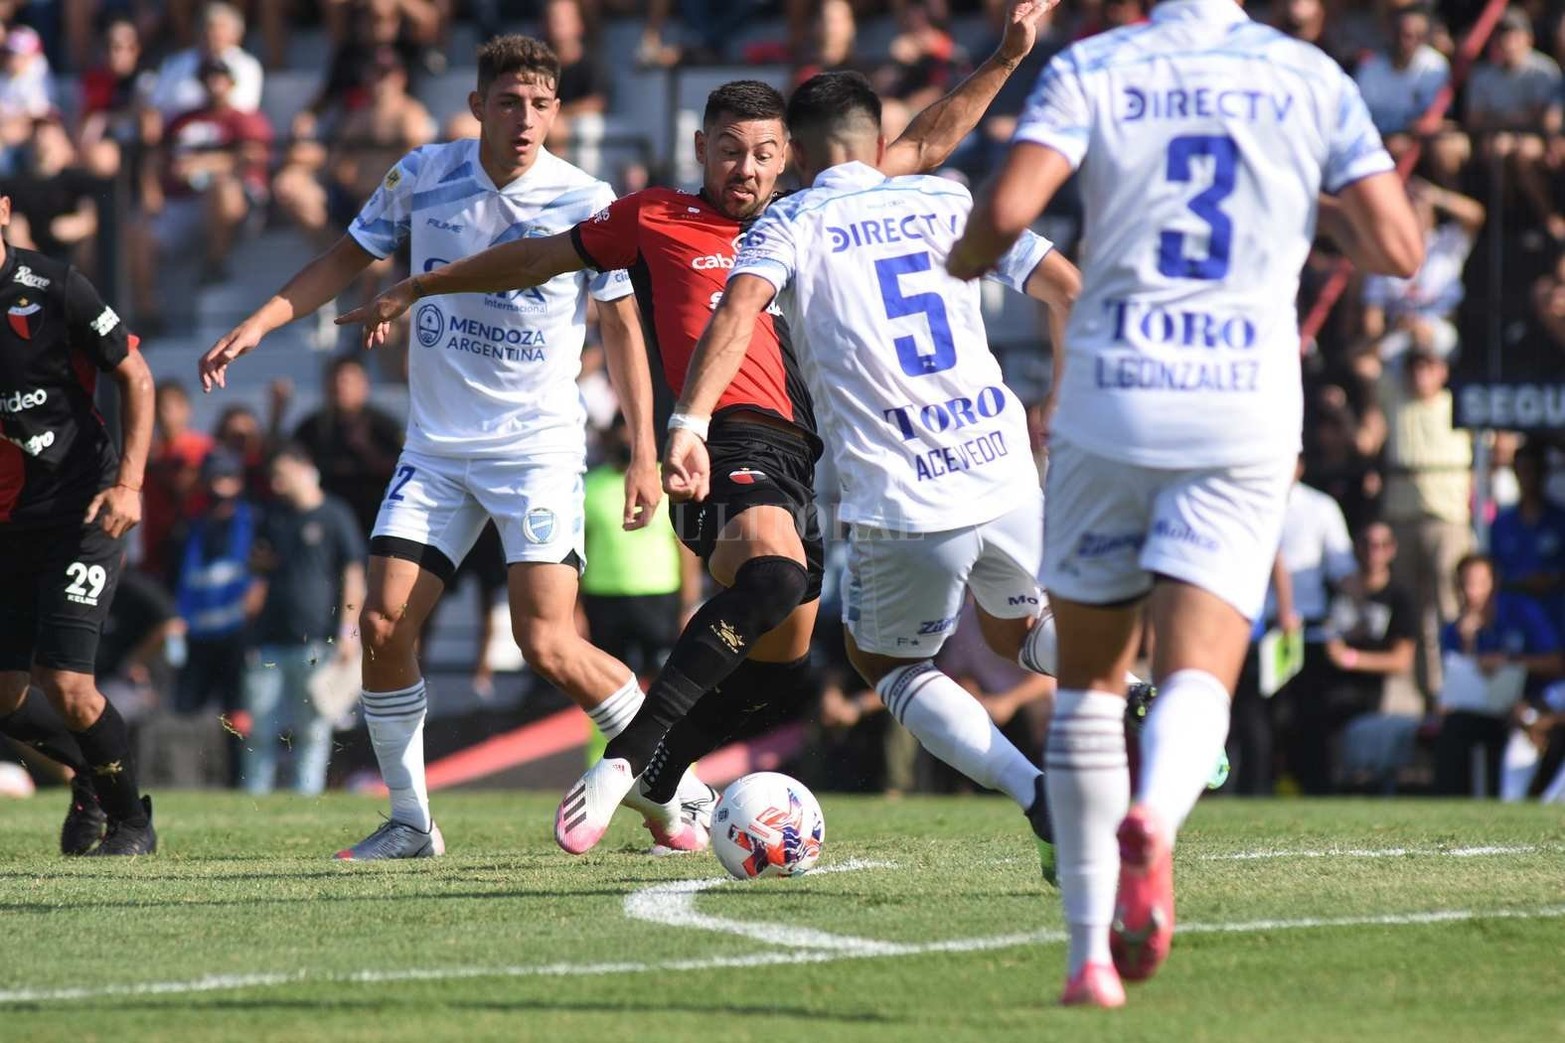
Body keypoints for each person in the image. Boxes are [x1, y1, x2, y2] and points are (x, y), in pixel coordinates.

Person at [336, 2, 1057, 850]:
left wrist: (1006, 57)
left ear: (789, 155)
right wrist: (422, 285)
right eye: (728, 151)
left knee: (777, 674)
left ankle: (662, 775)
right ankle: (625, 762)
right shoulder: (652, 217)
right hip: (714, 440)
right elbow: (538, 256)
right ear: (700, 150)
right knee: (774, 582)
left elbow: (927, 141)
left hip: (799, 456)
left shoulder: (810, 211)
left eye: (762, 154)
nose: (744, 169)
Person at [947, 0, 1423, 1007]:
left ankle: (1085, 959)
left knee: (1086, 684)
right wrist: (1310, 206)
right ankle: (1156, 819)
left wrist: (960, 262)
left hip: (1112, 400)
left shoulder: (1095, 66)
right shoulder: (1307, 76)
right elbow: (1398, 248)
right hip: (1240, 405)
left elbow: (998, 217)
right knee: (1200, 667)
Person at [564, 69, 1081, 864]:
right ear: (880, 145)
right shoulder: (948, 198)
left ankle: (1036, 792)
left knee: (890, 664)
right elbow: (1068, 290)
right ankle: (1143, 684)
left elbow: (737, 311)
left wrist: (685, 423)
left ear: (792, 155)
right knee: (1024, 633)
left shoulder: (792, 220)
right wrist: (1010, 56)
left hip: (900, 497)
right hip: (1007, 469)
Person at [198, 35, 690, 861]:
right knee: (385, 622)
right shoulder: (424, 175)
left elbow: (621, 326)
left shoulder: (584, 198)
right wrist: (261, 321)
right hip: (435, 447)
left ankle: (679, 783)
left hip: (535, 448)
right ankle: (410, 821)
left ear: (557, 112)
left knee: (547, 642)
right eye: (508, 102)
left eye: (539, 103)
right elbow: (341, 258)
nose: (524, 118)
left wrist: (644, 448)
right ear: (477, 107)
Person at [0, 190, 159, 856]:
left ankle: (130, 820)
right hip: (10, 521)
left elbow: (137, 375)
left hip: (83, 506)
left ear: (3, 209)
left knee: (68, 683)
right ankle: (93, 775)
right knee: (5, 698)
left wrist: (129, 482)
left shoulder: (53, 285)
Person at [241, 444, 365, 795]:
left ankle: (305, 795)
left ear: (303, 469)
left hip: (316, 640)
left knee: (313, 727)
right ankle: (254, 797)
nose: (276, 485)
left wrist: (348, 630)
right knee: (261, 726)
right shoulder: (274, 516)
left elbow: (353, 577)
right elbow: (257, 567)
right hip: (269, 638)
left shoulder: (335, 516)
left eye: (281, 476)